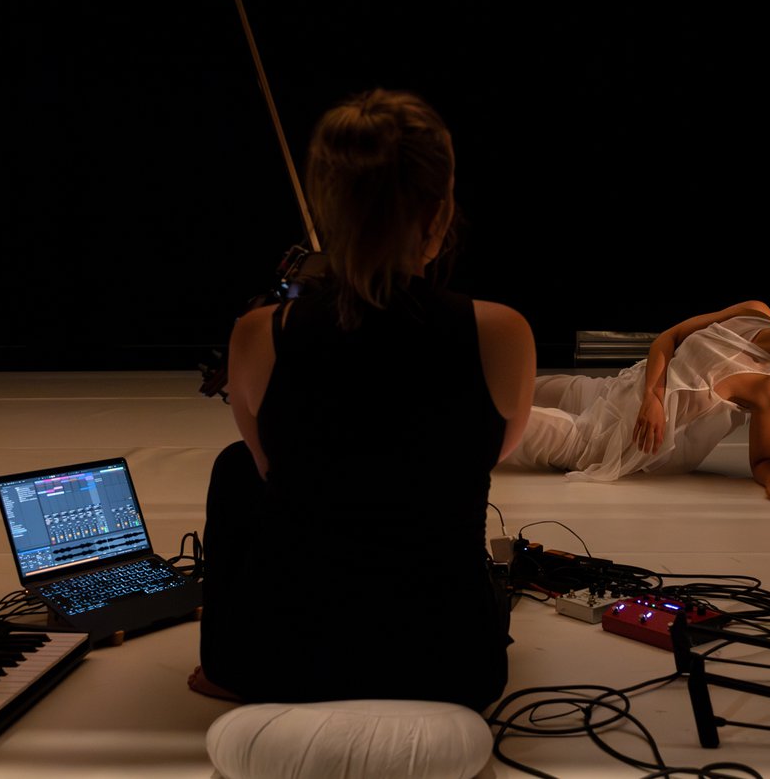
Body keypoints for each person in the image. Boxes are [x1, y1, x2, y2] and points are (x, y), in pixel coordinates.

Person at [189, 88, 536, 711]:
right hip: (455, 668)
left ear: (327, 211)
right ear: (440, 211)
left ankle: (226, 666)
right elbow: (489, 455)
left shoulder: (259, 334)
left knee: (236, 468)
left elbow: (270, 469)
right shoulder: (504, 332)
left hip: (285, 666)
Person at [502, 301, 770, 505]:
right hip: (611, 392)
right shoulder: (755, 311)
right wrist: (653, 397)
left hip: (612, 439)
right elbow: (669, 337)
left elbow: (763, 459)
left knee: (496, 419)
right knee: (507, 384)